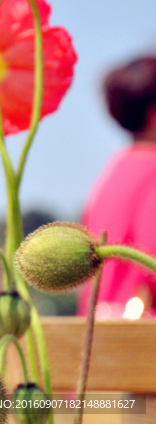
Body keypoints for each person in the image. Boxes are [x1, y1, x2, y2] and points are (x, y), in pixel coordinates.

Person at [79, 56, 156, 318]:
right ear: (153, 114)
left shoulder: (113, 171)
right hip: (139, 340)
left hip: (97, 331)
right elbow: (151, 258)